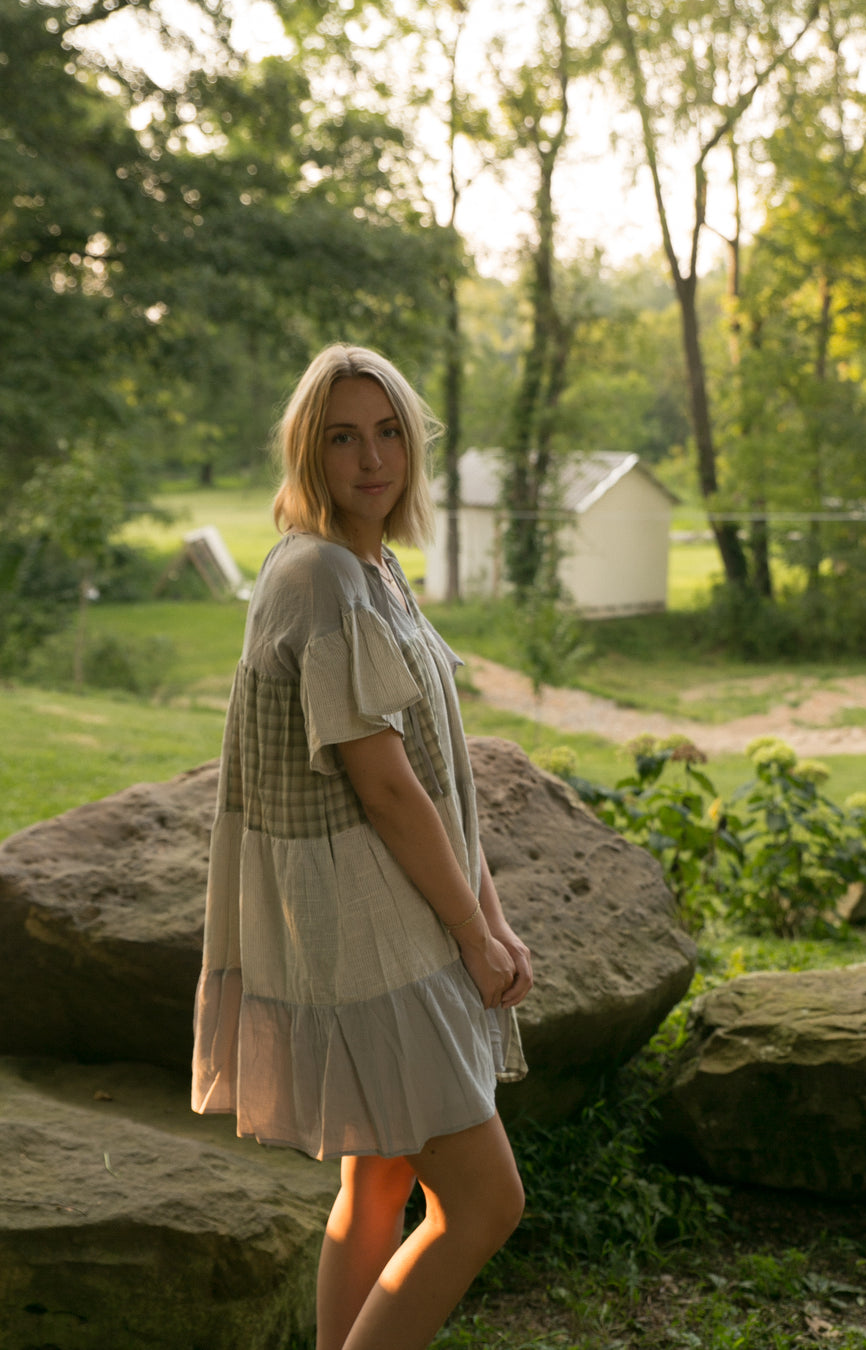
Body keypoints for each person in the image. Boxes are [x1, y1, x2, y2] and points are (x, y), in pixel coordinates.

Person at [191, 343, 533, 1350]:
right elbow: (384, 785)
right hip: (371, 930)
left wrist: (494, 915)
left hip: (391, 915)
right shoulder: (324, 578)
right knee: (483, 1205)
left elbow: (432, 771)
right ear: (309, 451)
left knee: (379, 1181)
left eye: (388, 434)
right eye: (344, 437)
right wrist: (474, 935)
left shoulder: (368, 566)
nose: (371, 458)